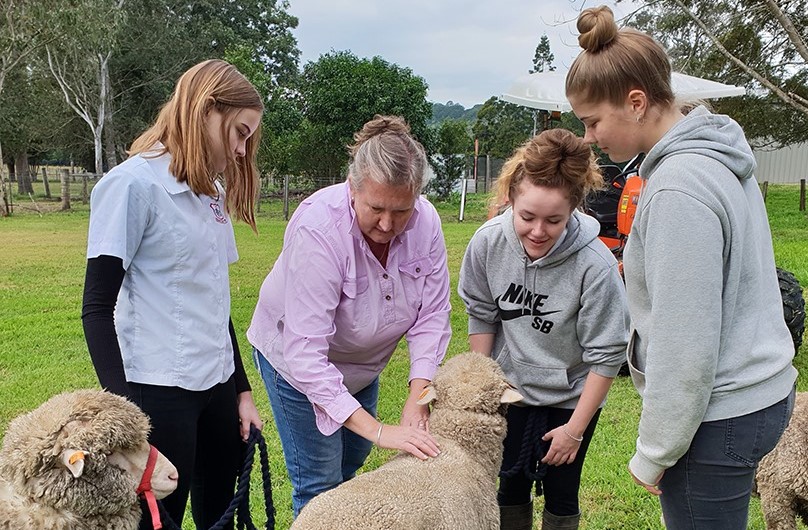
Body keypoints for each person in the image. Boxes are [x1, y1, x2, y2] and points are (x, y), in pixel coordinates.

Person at [565, 6, 798, 529]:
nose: (589, 137)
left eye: (592, 121)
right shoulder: (717, 157)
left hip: (718, 415)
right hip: (762, 388)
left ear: (637, 102)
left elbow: (683, 340)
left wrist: (655, 450)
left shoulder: (676, 189)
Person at [81, 59, 264, 530]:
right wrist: (125, 422)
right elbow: (96, 309)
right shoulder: (131, 186)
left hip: (217, 385)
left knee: (222, 513)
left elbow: (215, 300)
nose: (244, 150)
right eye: (240, 133)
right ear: (206, 110)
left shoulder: (211, 193)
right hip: (157, 391)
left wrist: (241, 390)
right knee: (157, 522)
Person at [247, 114, 449, 516]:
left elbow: (432, 314)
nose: (388, 224)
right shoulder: (319, 229)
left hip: (362, 364)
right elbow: (305, 353)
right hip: (297, 363)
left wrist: (418, 395)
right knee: (320, 484)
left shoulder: (426, 222)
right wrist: (378, 430)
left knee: (350, 463)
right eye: (376, 208)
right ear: (352, 188)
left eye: (402, 210)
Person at [458, 128, 629, 530]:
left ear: (574, 210)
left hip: (572, 398)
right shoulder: (487, 244)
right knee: (507, 487)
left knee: (562, 493)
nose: (538, 231)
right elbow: (483, 314)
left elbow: (606, 355)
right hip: (509, 391)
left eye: (554, 220)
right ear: (510, 200)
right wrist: (482, 389)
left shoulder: (595, 266)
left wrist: (574, 429)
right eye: (527, 217)